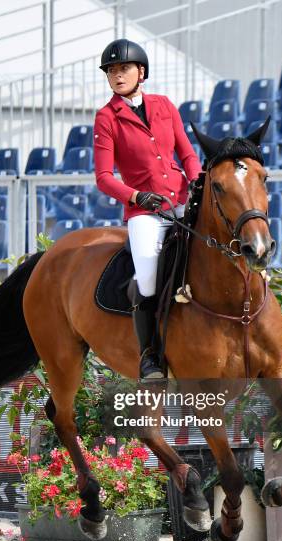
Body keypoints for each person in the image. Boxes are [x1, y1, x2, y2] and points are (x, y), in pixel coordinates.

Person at [94, 38, 202, 379]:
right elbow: (103, 177)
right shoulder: (106, 117)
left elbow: (186, 153)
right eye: (111, 71)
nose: (117, 75)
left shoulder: (165, 105)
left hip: (181, 201)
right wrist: (136, 197)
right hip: (144, 214)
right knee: (148, 278)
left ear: (141, 71)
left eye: (123, 68)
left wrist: (197, 181)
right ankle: (150, 356)